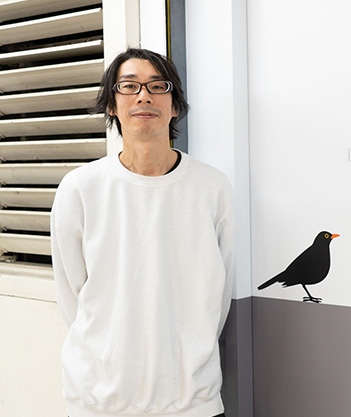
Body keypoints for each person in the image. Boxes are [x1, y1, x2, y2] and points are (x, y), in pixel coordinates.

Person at [51, 48, 235, 417]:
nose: (144, 96)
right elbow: (72, 295)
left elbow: (220, 290)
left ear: (175, 106)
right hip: (99, 402)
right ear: (112, 105)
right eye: (129, 86)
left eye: (157, 86)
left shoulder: (212, 187)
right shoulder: (79, 188)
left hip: (192, 402)